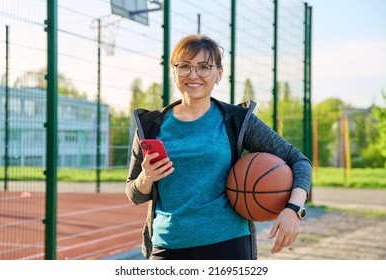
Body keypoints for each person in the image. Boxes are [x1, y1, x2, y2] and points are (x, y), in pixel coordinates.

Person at [125, 34, 312, 260]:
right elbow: (134, 194)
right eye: (184, 66)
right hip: (168, 245)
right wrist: (147, 177)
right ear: (173, 72)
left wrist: (294, 210)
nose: (193, 75)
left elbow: (299, 161)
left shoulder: (237, 121)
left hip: (228, 243)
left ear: (219, 73)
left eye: (203, 67)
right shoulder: (150, 126)